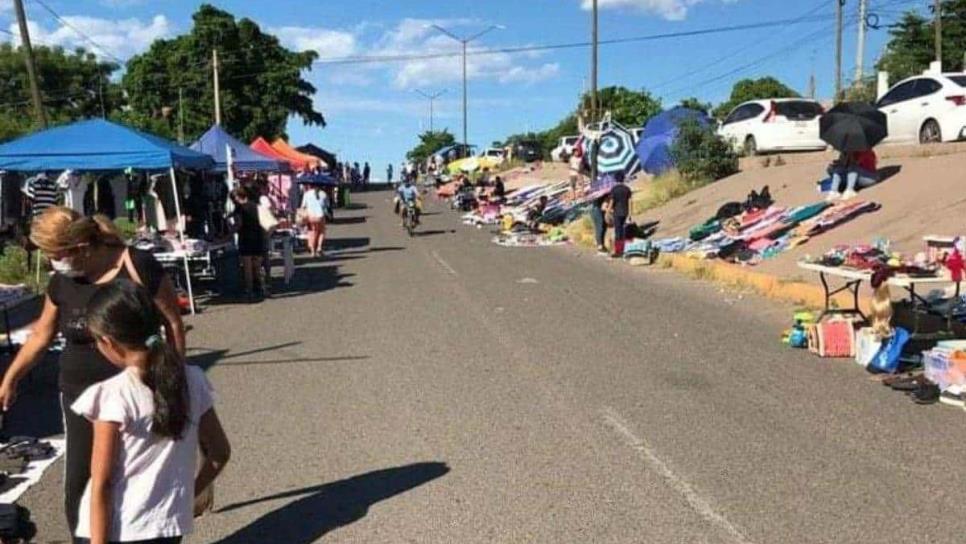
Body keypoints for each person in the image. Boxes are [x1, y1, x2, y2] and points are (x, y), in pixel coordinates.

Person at [0, 207, 184, 542]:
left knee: (136, 479)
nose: (51, 261)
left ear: (80, 248)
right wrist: (11, 377)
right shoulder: (63, 281)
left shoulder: (136, 264)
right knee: (82, 486)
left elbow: (172, 322)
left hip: (137, 395)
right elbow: (42, 333)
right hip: (80, 396)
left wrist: (175, 379)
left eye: (54, 254)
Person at [74, 280, 230, 544]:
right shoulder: (193, 379)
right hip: (167, 524)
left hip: (116, 528)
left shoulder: (112, 395)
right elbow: (220, 452)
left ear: (107, 342)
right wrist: (187, 496)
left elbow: (102, 482)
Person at [230, 187, 266, 300]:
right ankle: (261, 287)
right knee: (257, 265)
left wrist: (230, 230)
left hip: (245, 237)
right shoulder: (256, 206)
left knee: (247, 266)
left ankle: (249, 290)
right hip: (258, 236)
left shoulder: (239, 209)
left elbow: (238, 225)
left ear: (236, 197)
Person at [609, 173, 632, 257]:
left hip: (617, 213)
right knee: (622, 230)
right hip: (625, 212)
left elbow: (611, 202)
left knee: (617, 231)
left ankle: (618, 251)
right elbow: (630, 202)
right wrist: (630, 213)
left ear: (615, 179)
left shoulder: (614, 190)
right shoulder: (627, 189)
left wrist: (608, 212)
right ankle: (622, 248)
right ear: (623, 179)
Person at [300, 185, 327, 257]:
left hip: (310, 216)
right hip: (320, 216)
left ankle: (312, 251)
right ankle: (319, 247)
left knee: (312, 232)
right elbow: (326, 206)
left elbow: (303, 206)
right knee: (321, 232)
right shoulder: (323, 194)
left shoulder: (307, 194)